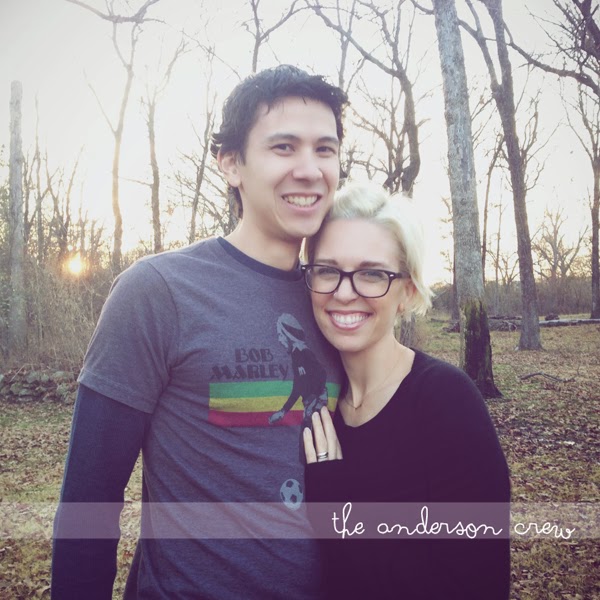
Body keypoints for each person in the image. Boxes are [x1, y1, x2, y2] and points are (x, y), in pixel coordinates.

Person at [51, 65, 348, 599]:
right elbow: (88, 502)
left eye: (325, 149)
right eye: (284, 147)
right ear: (230, 163)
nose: (309, 170)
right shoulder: (159, 291)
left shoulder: (339, 303)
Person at [302, 181, 511, 599]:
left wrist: (335, 510)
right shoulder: (321, 407)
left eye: (372, 274)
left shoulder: (447, 404)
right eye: (327, 270)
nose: (344, 292)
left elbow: (477, 584)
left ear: (408, 292)